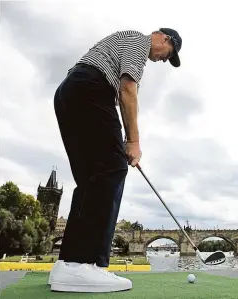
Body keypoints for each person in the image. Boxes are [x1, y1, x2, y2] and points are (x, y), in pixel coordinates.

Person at [50, 28, 182, 293]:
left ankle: (67, 265)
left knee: (91, 178)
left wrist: (120, 139)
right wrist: (133, 141)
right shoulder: (139, 43)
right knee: (112, 170)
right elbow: (128, 89)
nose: (162, 60)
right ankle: (85, 263)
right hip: (90, 89)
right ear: (162, 38)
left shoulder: (119, 43)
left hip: (68, 92)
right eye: (168, 55)